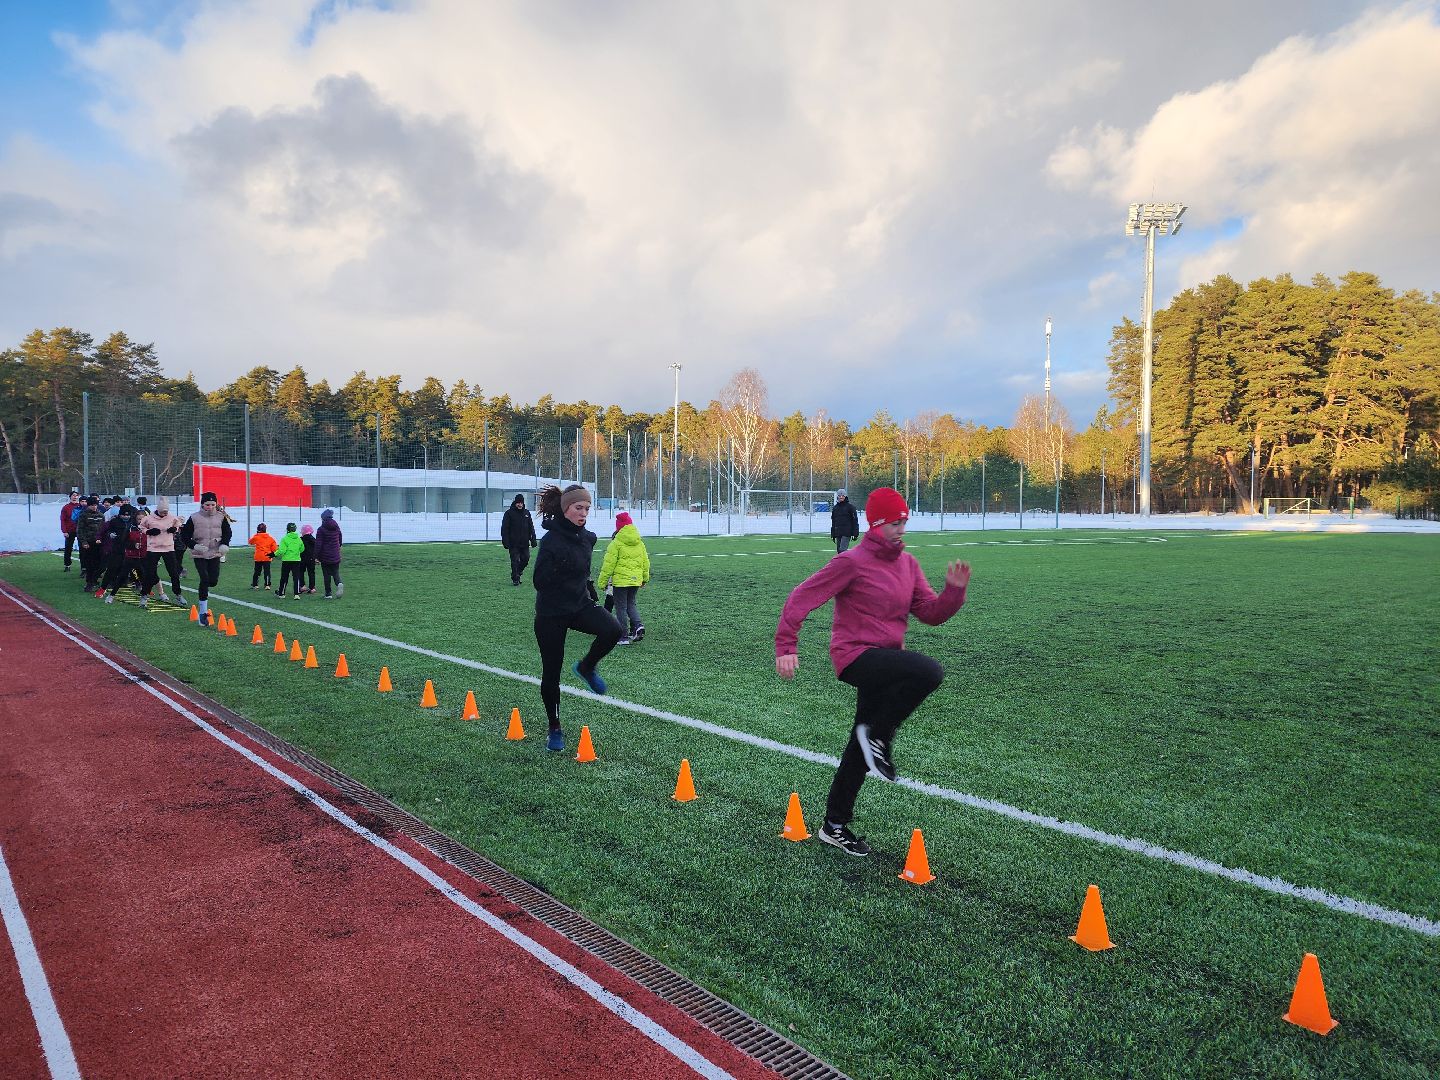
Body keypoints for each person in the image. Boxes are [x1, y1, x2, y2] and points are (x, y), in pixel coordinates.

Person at [775, 487, 970, 858]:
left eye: (905, 523)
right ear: (876, 524)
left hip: (885, 662)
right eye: (895, 523)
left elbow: (929, 613)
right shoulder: (852, 562)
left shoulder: (908, 565)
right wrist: (787, 646)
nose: (901, 530)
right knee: (929, 671)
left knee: (858, 750)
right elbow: (802, 596)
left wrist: (953, 593)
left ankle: (834, 825)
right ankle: (879, 736)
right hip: (855, 657)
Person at [532, 484, 622, 751]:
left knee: (613, 630)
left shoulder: (588, 538)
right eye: (578, 508)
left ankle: (586, 667)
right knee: (552, 674)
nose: (583, 513)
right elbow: (539, 582)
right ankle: (554, 728)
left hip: (579, 605)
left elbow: (582, 570)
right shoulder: (550, 541)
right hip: (551, 613)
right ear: (566, 509)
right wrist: (559, 565)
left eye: (586, 508)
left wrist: (589, 586)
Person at [597, 511, 650, 644]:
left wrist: (602, 582)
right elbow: (645, 562)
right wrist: (644, 578)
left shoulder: (616, 543)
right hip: (635, 580)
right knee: (631, 603)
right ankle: (638, 625)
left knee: (620, 607)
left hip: (620, 581)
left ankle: (623, 636)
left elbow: (608, 565)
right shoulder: (640, 542)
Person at [180, 491, 232, 626]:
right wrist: (194, 545)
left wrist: (224, 544)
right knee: (204, 578)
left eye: (212, 504)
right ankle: (203, 613)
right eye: (207, 504)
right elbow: (184, 535)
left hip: (214, 552)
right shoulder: (194, 518)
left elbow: (227, 532)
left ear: (216, 504)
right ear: (202, 504)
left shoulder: (221, 517)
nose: (210, 507)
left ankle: (204, 589)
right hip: (200, 553)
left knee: (213, 581)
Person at [139, 497, 183, 605]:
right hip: (153, 548)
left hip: (168, 547)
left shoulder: (172, 517)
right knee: (150, 573)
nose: (164, 514)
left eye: (166, 512)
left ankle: (178, 594)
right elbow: (141, 527)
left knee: (173, 572)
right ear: (158, 510)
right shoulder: (149, 518)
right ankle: (144, 595)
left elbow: (178, 526)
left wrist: (174, 530)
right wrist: (149, 531)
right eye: (163, 512)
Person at [500, 494, 538, 585]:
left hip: (524, 543)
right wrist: (505, 541)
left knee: (526, 559)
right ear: (515, 503)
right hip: (513, 543)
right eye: (518, 503)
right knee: (515, 561)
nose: (520, 505)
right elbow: (504, 529)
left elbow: (531, 527)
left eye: (521, 503)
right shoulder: (509, 513)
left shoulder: (527, 513)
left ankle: (518, 572)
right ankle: (515, 579)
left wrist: (533, 539)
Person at [75, 496, 106, 591]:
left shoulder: (101, 515)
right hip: (88, 543)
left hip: (99, 543)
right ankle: (89, 582)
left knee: (100, 564)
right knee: (89, 564)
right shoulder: (83, 515)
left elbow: (103, 530)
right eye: (92, 505)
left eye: (95, 505)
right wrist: (83, 542)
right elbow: (80, 530)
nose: (94, 507)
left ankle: (95, 579)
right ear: (88, 505)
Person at [316, 508, 344, 598]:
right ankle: (339, 583)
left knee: (326, 575)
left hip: (325, 556)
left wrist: (316, 556)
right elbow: (340, 537)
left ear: (323, 518)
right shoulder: (336, 527)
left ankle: (328, 594)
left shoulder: (321, 529)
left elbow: (318, 544)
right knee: (335, 572)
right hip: (335, 554)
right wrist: (339, 545)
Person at [274, 523, 304, 598]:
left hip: (286, 560)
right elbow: (302, 549)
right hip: (296, 560)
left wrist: (274, 554)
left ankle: (282, 593)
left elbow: (282, 550)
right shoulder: (299, 539)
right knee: (296, 577)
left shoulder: (284, 539)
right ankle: (296, 594)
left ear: (287, 529)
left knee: (284, 577)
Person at [830, 489, 859, 554]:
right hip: (838, 532)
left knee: (842, 550)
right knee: (839, 551)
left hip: (847, 532)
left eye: (842, 495)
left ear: (845, 496)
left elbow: (855, 521)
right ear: (837, 496)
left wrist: (855, 533)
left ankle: (845, 563)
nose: (841, 497)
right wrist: (833, 534)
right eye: (839, 495)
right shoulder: (835, 508)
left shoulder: (850, 507)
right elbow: (833, 522)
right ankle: (841, 563)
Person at [249, 524, 278, 589]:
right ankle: (267, 585)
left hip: (258, 557)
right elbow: (274, 549)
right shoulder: (270, 538)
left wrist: (256, 535)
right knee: (267, 571)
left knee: (257, 571)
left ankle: (255, 584)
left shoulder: (256, 537)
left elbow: (250, 542)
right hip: (267, 557)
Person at [60, 489, 82, 571]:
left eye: (76, 496)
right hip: (70, 530)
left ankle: (83, 567)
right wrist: (64, 531)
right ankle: (67, 565)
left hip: (80, 530)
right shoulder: (66, 507)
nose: (75, 497)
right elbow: (63, 520)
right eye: (73, 495)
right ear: (70, 497)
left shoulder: (81, 507)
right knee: (68, 548)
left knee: (82, 548)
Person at [299, 524, 317, 594]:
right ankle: (312, 588)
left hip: (302, 558)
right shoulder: (314, 540)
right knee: (311, 573)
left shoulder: (300, 539)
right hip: (311, 559)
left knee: (301, 572)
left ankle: (302, 586)